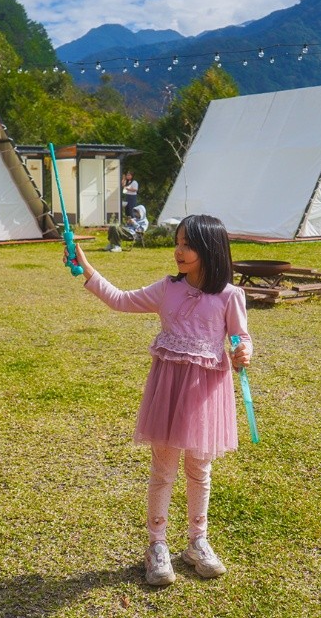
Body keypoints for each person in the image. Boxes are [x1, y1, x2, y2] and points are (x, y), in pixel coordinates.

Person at [70, 214, 252, 586]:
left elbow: (241, 337)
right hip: (168, 392)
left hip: (206, 394)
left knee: (200, 470)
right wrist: (87, 268)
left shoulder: (230, 295)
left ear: (210, 249)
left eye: (188, 244)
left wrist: (243, 351)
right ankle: (157, 545)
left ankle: (197, 541)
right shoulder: (167, 289)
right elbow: (120, 300)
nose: (178, 251)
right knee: (163, 469)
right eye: (178, 242)